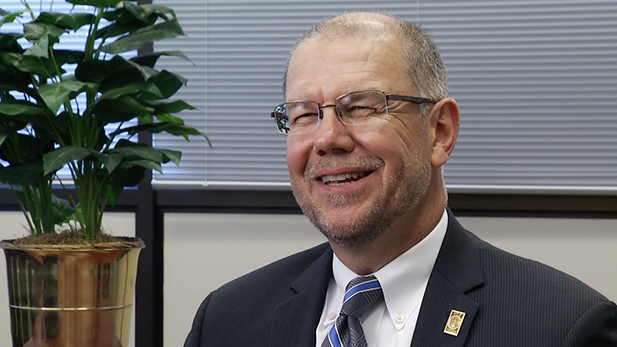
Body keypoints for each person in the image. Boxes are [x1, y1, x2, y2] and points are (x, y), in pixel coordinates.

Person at [184, 12, 617, 346]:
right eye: (303, 115)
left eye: (362, 107)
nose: (327, 139)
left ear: (439, 132)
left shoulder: (561, 326)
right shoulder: (228, 319)